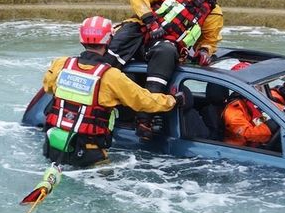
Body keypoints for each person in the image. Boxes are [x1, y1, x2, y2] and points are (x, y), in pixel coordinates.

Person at [104, 0, 228, 140]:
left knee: (167, 51)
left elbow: (210, 40)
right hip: (140, 31)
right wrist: (150, 21)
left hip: (163, 47)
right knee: (110, 54)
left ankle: (145, 119)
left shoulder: (213, 13)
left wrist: (204, 51)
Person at [41, 16, 184, 168]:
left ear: (81, 39)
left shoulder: (61, 64)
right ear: (109, 40)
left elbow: (48, 88)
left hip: (54, 146)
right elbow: (144, 102)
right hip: (89, 153)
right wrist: (173, 100)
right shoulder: (110, 76)